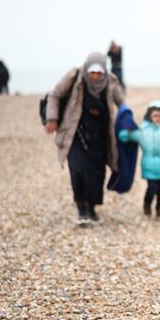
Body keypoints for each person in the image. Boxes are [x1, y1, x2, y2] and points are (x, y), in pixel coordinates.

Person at [45, 53, 124, 225]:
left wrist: (128, 122)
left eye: (99, 73)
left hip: (100, 136)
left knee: (97, 173)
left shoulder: (110, 81)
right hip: (75, 134)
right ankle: (81, 208)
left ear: (104, 71)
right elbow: (54, 95)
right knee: (78, 170)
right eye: (92, 72)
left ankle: (92, 207)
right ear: (87, 69)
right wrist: (52, 119)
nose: (95, 76)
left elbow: (122, 104)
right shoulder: (75, 77)